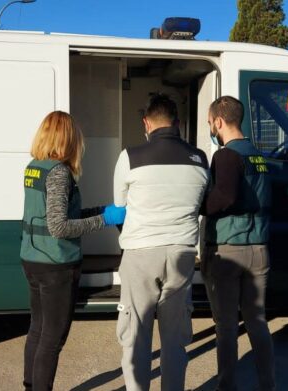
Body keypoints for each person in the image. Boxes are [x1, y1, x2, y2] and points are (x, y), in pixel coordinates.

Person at [20, 111, 126, 391]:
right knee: (52, 339)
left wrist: (103, 210)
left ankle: (30, 386)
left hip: (32, 258)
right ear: (67, 139)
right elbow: (59, 227)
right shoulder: (58, 172)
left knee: (37, 329)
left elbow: (60, 214)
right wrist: (105, 220)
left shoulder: (35, 166)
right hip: (56, 264)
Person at [113, 94, 209, 391]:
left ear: (146, 122)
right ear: (177, 124)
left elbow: (119, 209)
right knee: (175, 340)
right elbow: (201, 205)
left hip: (140, 254)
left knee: (136, 337)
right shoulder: (200, 159)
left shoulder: (130, 156)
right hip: (181, 255)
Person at [200, 96, 275, 391]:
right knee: (257, 321)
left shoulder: (226, 156)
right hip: (259, 249)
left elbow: (225, 197)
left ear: (218, 121)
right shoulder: (259, 156)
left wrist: (198, 206)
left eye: (209, 123)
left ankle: (226, 386)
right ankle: (268, 385)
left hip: (229, 250)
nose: (210, 127)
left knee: (227, 327)